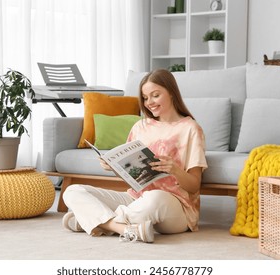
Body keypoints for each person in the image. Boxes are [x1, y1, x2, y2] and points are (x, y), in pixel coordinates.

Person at [62, 69, 207, 243]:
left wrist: (174, 170)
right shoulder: (140, 127)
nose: (149, 103)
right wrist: (115, 167)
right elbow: (132, 179)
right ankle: (123, 228)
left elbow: (194, 186)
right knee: (73, 191)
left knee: (155, 198)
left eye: (155, 95)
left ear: (171, 93)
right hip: (136, 199)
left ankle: (91, 220)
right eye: (145, 98)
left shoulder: (190, 128)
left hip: (175, 207)